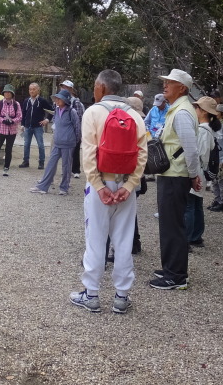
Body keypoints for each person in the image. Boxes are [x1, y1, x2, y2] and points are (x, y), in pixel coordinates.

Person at [69, 69, 148, 314]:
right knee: (123, 240)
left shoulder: (93, 112)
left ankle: (91, 293)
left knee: (95, 237)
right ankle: (121, 296)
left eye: (95, 86)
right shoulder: (135, 115)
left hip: (100, 182)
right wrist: (129, 185)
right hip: (125, 184)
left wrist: (99, 186)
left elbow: (88, 152)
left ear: (101, 88)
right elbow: (142, 153)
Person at [150, 69, 200, 290]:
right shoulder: (177, 109)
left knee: (172, 225)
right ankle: (172, 267)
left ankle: (176, 275)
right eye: (166, 82)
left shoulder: (181, 113)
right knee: (170, 224)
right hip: (172, 173)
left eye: (171, 82)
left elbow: (190, 148)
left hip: (175, 175)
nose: (165, 85)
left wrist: (193, 174)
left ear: (183, 88)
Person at [30, 89, 80, 195]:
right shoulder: (57, 110)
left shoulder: (72, 112)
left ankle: (64, 188)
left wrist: (75, 141)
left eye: (59, 98)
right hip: (57, 142)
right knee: (51, 164)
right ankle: (43, 187)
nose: (57, 100)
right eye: (56, 98)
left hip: (68, 143)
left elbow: (77, 128)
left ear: (65, 100)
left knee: (66, 166)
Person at [186, 96, 220, 248]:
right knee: (196, 204)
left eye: (197, 108)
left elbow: (199, 153)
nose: (195, 110)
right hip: (201, 170)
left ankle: (187, 238)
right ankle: (196, 235)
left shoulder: (202, 131)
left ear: (203, 111)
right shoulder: (208, 130)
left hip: (197, 169)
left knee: (190, 206)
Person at [19, 83, 53, 169]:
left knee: (40, 145)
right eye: (30, 89)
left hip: (38, 126)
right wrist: (22, 124)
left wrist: (47, 120)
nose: (32, 91)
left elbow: (52, 111)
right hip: (27, 126)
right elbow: (24, 113)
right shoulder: (26, 101)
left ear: (38, 90)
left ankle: (41, 162)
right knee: (26, 144)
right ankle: (25, 161)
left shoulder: (42, 101)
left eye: (34, 89)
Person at [60, 80, 85, 179]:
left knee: (75, 150)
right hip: (64, 129)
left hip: (74, 130)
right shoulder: (60, 100)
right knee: (65, 151)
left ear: (70, 89)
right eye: (62, 87)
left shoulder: (76, 102)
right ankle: (66, 169)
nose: (63, 89)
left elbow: (79, 118)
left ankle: (76, 170)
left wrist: (77, 132)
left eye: (65, 87)